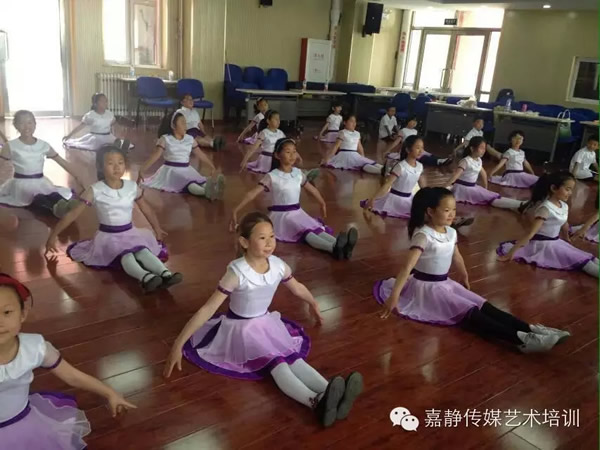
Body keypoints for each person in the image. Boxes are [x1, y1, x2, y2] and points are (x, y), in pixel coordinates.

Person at [164, 212, 363, 427]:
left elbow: (297, 287)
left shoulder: (278, 265)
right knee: (278, 364)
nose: (269, 243)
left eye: (272, 236)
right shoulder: (237, 272)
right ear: (244, 242)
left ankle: (330, 392)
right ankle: (314, 401)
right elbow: (208, 308)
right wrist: (178, 344)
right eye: (262, 238)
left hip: (266, 324)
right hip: (241, 330)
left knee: (294, 359)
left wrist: (312, 303)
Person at [374, 187, 569, 353]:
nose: (452, 214)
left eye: (454, 209)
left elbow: (456, 255)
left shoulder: (451, 232)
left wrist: (464, 275)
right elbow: (407, 267)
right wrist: (395, 295)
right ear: (430, 212)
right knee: (471, 313)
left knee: (484, 305)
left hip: (445, 283)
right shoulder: (423, 235)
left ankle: (530, 329)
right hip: (426, 289)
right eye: (446, 210)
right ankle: (521, 339)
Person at [0, 273, 136, 449]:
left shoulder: (35, 348)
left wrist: (110, 393)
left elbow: (72, 376)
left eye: (7, 312)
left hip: (21, 422)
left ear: (22, 314)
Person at [45, 144, 183, 293]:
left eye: (120, 163)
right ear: (101, 167)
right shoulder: (95, 190)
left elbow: (146, 208)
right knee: (126, 256)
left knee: (143, 251)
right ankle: (145, 277)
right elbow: (73, 214)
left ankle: (165, 273)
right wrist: (53, 236)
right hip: (108, 237)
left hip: (130, 232)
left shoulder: (131, 187)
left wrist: (157, 228)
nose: (116, 167)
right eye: (110, 163)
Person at [231, 138, 358, 259]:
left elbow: (312, 189)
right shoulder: (272, 176)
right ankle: (333, 248)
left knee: (316, 229)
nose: (292, 155)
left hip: (298, 212)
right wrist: (235, 210)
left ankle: (341, 245)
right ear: (277, 155)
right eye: (288, 152)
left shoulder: (298, 173)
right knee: (307, 233)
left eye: (294, 151)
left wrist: (322, 203)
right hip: (282, 216)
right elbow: (252, 194)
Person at [497, 171, 598, 278]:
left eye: (571, 190)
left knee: (589, 257)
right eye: (567, 189)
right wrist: (511, 253)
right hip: (543, 245)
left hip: (556, 242)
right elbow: (531, 233)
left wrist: (567, 240)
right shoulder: (545, 208)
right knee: (583, 262)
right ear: (554, 188)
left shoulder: (564, 205)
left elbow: (564, 225)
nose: (570, 193)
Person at [0, 110, 83, 218]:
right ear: (16, 125)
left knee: (52, 193)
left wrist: (77, 176)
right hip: (21, 183)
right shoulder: (10, 146)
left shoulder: (43, 145)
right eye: (22, 123)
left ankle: (66, 205)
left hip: (40, 181)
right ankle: (55, 208)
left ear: (35, 124)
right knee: (35, 197)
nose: (26, 126)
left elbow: (61, 161)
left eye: (29, 122)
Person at [137, 110, 225, 201]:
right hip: (172, 170)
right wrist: (142, 169)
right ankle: (206, 192)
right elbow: (155, 156)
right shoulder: (165, 139)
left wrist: (212, 166)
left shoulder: (190, 139)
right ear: (173, 126)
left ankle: (214, 189)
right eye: (182, 123)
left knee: (200, 181)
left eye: (185, 123)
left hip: (187, 169)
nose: (185, 126)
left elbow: (200, 154)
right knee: (190, 184)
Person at [447, 136, 524, 210]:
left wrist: (485, 188)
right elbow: (456, 175)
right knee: (491, 198)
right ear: (472, 148)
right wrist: (444, 187)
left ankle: (520, 204)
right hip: (463, 188)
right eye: (481, 148)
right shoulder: (465, 161)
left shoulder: (479, 160)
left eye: (484, 148)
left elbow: (483, 174)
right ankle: (519, 204)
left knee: (491, 195)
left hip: (472, 186)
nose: (483, 150)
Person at [361, 135, 426, 219]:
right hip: (395, 200)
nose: (421, 151)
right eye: (417, 148)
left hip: (408, 199)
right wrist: (373, 198)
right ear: (408, 150)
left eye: (422, 148)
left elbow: (424, 188)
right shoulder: (401, 166)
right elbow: (387, 184)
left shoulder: (420, 166)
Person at [383, 116, 451, 172]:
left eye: (415, 122)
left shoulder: (415, 131)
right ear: (408, 121)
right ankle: (438, 161)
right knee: (423, 157)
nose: (414, 123)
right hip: (410, 150)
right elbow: (397, 142)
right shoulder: (403, 130)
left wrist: (421, 148)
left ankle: (443, 160)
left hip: (417, 148)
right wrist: (388, 150)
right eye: (412, 121)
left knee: (429, 154)